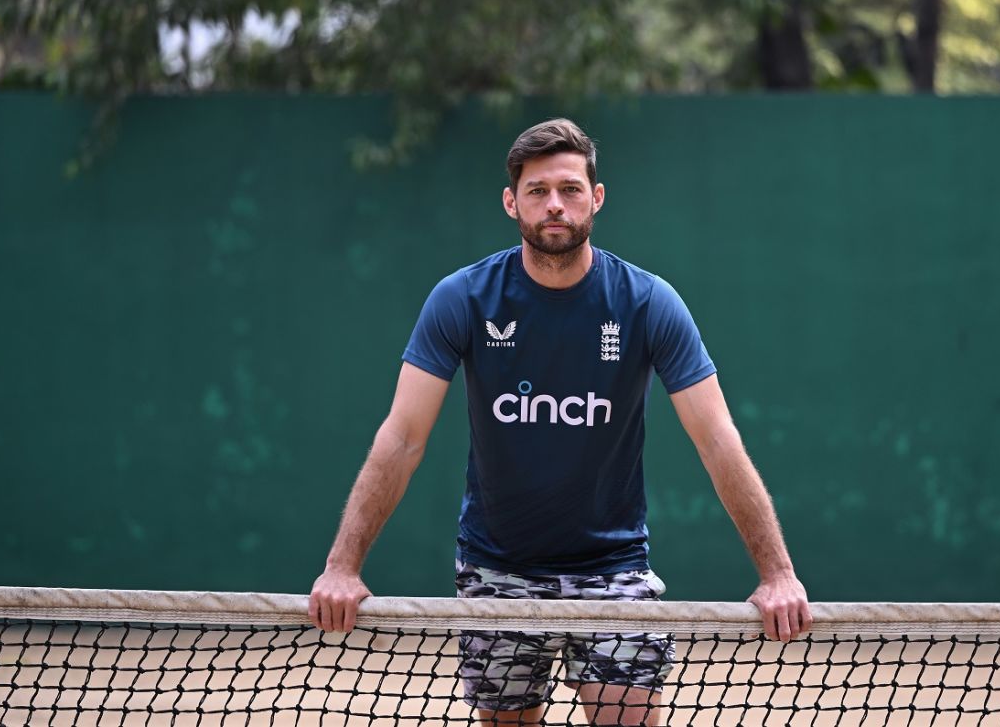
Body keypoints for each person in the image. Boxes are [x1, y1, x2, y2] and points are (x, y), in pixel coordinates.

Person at [309, 118, 811, 726]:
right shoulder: (462, 298)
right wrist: (342, 566)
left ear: (595, 198)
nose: (555, 204)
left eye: (570, 189)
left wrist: (778, 575)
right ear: (511, 202)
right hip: (496, 572)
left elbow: (717, 439)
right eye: (538, 190)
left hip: (613, 572)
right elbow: (403, 437)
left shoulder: (648, 302)